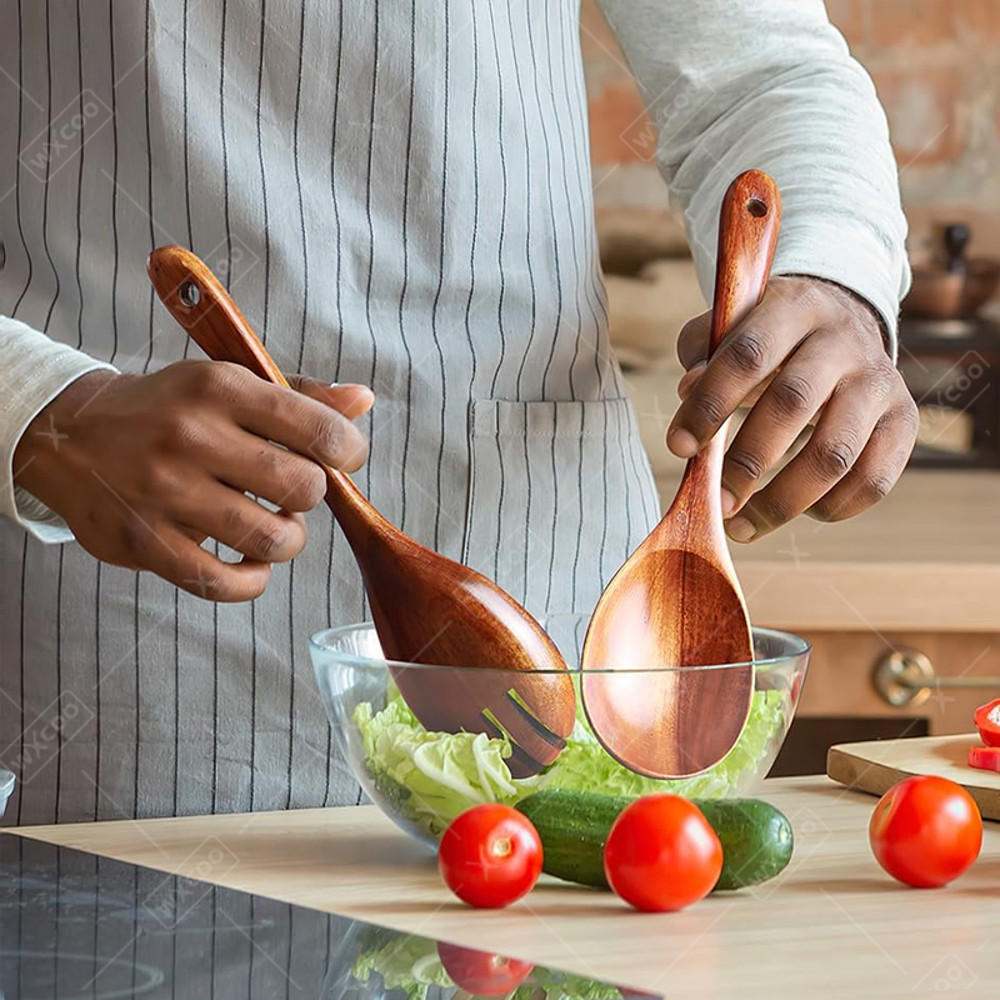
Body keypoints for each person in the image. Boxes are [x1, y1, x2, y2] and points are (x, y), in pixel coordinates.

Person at [0, 0, 917, 825]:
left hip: (565, 616)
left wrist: (835, 272)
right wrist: (37, 406)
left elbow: (757, 72)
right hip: (108, 659)